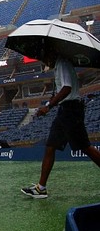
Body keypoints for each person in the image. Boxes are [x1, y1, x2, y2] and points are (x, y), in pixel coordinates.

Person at [21, 52, 100, 198]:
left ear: (50, 54)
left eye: (44, 58)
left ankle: (41, 188)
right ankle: (41, 188)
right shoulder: (59, 65)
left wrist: (49, 106)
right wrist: (48, 104)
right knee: (50, 146)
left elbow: (67, 88)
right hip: (64, 110)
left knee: (85, 147)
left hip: (71, 110)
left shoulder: (62, 63)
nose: (45, 62)